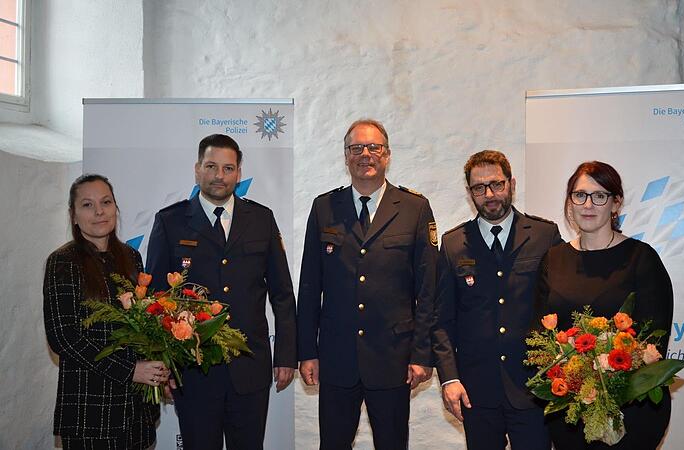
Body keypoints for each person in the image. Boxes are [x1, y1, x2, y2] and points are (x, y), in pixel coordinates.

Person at [146, 134, 297, 450]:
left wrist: (286, 355)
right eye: (211, 166)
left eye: (228, 168)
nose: (219, 176)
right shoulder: (170, 221)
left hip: (250, 368)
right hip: (193, 371)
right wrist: (163, 364)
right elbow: (156, 300)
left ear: (239, 173)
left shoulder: (262, 219)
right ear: (197, 168)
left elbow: (282, 293)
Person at [297, 119, 438, 449]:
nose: (365, 154)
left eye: (374, 147)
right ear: (346, 157)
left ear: (387, 155)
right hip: (336, 357)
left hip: (394, 358)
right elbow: (309, 287)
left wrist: (422, 353)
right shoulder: (324, 207)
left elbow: (428, 290)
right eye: (356, 148)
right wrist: (307, 352)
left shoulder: (415, 208)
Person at [535, 161, 674, 449]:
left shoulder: (642, 259)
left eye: (599, 196)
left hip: (631, 410)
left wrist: (605, 383)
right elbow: (539, 332)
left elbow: (653, 340)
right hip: (569, 413)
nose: (588, 204)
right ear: (570, 202)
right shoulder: (554, 259)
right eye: (580, 195)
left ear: (615, 204)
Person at [432, 150, 562, 449]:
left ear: (511, 184)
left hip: (533, 386)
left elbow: (560, 306)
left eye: (497, 184)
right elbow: (442, 321)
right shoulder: (453, 244)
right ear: (469, 193)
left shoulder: (545, 235)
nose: (489, 194)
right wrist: (449, 379)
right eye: (479, 188)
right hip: (476, 390)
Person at [43, 174, 167, 450]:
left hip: (136, 409)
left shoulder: (131, 257)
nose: (99, 211)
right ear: (73, 215)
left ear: (115, 208)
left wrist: (158, 364)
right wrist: (130, 370)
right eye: (87, 205)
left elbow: (143, 324)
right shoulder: (63, 262)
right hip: (91, 409)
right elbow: (63, 337)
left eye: (106, 202)